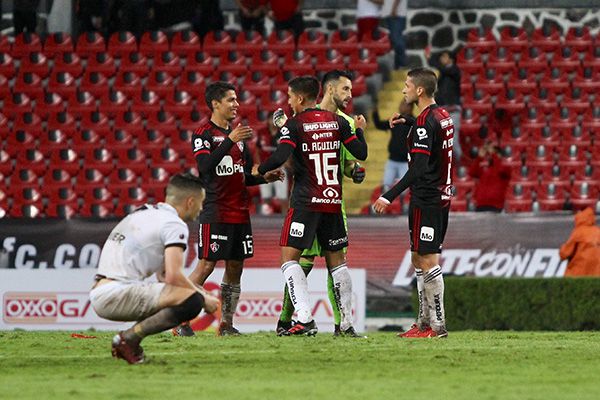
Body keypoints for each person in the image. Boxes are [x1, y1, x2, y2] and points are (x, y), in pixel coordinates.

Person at [253, 76, 368, 336]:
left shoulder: (294, 124)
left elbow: (282, 155)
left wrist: (259, 170)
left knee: (289, 258)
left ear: (300, 98)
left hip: (306, 201)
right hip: (333, 201)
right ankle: (347, 324)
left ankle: (304, 318)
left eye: (290, 96)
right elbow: (360, 153)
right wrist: (359, 130)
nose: (289, 101)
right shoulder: (339, 122)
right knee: (337, 263)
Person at [179, 82, 283, 337]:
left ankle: (226, 324)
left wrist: (263, 179)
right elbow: (205, 167)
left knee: (235, 268)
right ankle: (179, 320)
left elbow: (242, 175)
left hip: (240, 212)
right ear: (215, 104)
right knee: (206, 266)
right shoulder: (203, 133)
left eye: (237, 100)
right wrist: (229, 140)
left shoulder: (238, 139)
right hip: (216, 211)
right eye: (231, 100)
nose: (236, 104)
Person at [89, 173, 220, 364]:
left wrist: (200, 292)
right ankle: (128, 339)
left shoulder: (146, 212)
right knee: (193, 302)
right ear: (190, 202)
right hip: (116, 293)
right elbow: (174, 277)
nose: (201, 208)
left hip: (101, 291)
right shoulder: (174, 225)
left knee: (190, 295)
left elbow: (165, 275)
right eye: (201, 202)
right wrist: (204, 298)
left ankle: (129, 340)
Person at [373, 68, 454, 338]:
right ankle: (423, 323)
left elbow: (418, 168)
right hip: (441, 195)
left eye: (407, 85)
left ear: (420, 90)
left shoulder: (425, 122)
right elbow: (432, 137)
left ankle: (438, 325)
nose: (403, 89)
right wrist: (408, 122)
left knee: (427, 259)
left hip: (427, 197)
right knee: (419, 257)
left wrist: (389, 194)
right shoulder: (441, 116)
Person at [427, 49, 462, 163]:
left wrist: (430, 59)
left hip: (453, 110)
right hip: (442, 110)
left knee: (453, 139)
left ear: (451, 59)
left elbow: (445, 70)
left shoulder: (455, 70)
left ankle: (459, 163)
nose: (442, 59)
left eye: (444, 57)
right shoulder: (443, 73)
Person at [372, 99, 411, 192]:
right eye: (401, 104)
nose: (401, 106)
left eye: (404, 104)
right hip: (392, 160)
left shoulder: (413, 123)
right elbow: (379, 125)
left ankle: (403, 206)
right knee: (385, 187)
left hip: (405, 162)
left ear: (410, 107)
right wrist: (375, 113)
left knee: (404, 191)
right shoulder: (395, 121)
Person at [256, 111, 290, 215]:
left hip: (280, 168)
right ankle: (266, 220)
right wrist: (258, 165)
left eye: (274, 119)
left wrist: (286, 163)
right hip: (265, 169)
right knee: (266, 197)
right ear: (267, 120)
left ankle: (285, 219)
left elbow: (288, 149)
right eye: (270, 119)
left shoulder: (283, 133)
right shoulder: (262, 132)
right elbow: (257, 150)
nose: (272, 121)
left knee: (283, 197)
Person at [468, 140, 512, 212]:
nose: (491, 155)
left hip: (495, 206)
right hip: (480, 205)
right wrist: (479, 157)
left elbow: (501, 169)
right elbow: (472, 173)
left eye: (495, 152)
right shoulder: (484, 168)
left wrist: (494, 154)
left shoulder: (505, 167)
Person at [559, 207, 600, 277]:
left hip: (578, 273)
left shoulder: (578, 232)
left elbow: (564, 253)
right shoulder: (598, 231)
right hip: (596, 275)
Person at [381, 0, 407, 69]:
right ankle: (398, 66)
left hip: (396, 14)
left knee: (397, 40)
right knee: (394, 41)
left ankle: (402, 64)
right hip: (390, 14)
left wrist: (394, 9)